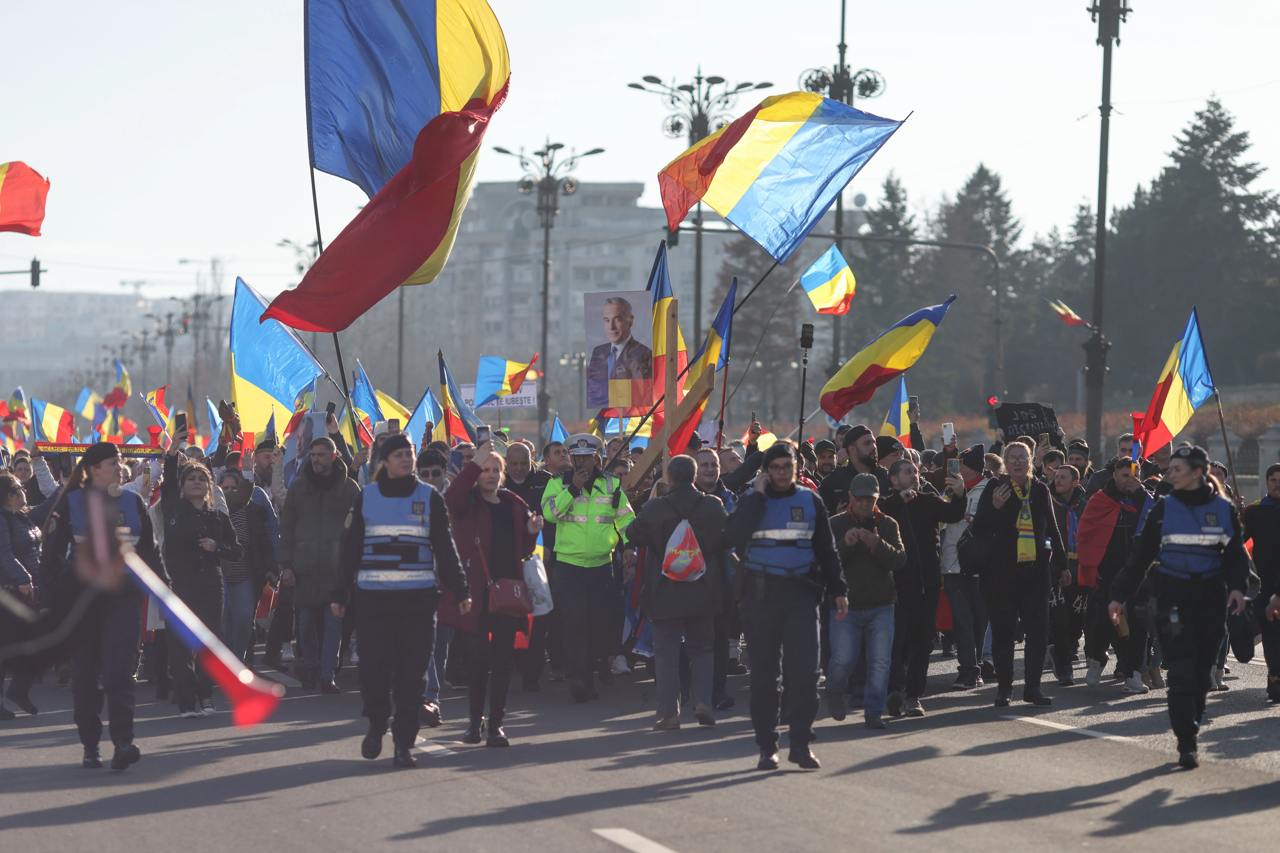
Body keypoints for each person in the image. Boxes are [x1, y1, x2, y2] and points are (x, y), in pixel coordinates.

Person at [1108, 445, 1250, 769]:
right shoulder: (1163, 509)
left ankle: (1193, 720)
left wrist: (1239, 589)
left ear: (1197, 473)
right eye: (1169, 469)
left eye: (1177, 469)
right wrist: (1118, 596)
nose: (1169, 474)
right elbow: (1140, 557)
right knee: (1182, 672)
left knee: (1201, 674)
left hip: (1211, 599)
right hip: (1173, 597)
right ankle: (1186, 740)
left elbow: (1236, 557)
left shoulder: (1223, 509)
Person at [334, 433, 470, 768]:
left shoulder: (430, 497)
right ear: (384, 461)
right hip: (373, 601)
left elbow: (444, 547)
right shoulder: (367, 497)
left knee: (413, 676)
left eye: (409, 454)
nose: (406, 460)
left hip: (418, 602)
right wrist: (339, 593)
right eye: (398, 455)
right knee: (374, 672)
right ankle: (378, 722)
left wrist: (461, 589)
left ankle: (403, 745)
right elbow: (350, 549)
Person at [726, 442, 848, 771]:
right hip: (760, 598)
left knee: (806, 674)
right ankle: (767, 746)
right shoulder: (753, 501)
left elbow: (826, 548)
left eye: (786, 467)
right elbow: (732, 535)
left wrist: (839, 588)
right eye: (775, 468)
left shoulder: (810, 501)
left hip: (801, 595)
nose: (781, 473)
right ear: (767, 471)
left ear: (796, 468)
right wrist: (756, 496)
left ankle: (800, 743)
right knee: (766, 677)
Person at [44, 442, 164, 769]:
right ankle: (90, 744)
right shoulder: (71, 503)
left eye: (120, 462)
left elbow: (150, 551)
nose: (119, 468)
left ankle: (123, 742)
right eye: (113, 463)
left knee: (119, 673)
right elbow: (52, 554)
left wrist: (163, 585)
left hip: (123, 600)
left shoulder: (133, 501)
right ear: (95, 468)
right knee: (85, 677)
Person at [441, 441, 540, 746]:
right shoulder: (466, 502)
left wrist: (532, 531)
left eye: (496, 469)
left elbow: (521, 551)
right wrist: (473, 463)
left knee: (502, 662)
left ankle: (496, 724)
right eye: (485, 469)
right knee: (477, 660)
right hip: (475, 594)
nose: (491, 474)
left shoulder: (513, 504)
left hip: (507, 595)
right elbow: (451, 496)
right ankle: (474, 724)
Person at [626, 454, 728, 730]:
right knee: (703, 650)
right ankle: (703, 703)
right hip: (702, 590)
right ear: (694, 476)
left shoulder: (656, 508)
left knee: (667, 654)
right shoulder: (713, 506)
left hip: (664, 591)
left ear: (669, 478)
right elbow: (726, 537)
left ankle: (668, 712)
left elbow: (633, 534)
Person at [970, 440, 1067, 707]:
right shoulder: (994, 487)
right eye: (1011, 458)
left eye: (1022, 457)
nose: (1016, 462)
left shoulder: (1039, 490)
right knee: (1003, 634)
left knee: (1037, 634)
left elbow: (1052, 529)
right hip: (1000, 574)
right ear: (1004, 461)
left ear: (1031, 459)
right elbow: (978, 528)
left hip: (1034, 573)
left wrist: (1062, 565)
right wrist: (994, 508)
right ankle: (1004, 689)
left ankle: (1032, 688)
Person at [541, 434, 636, 703]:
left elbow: (626, 520)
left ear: (596, 458)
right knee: (574, 623)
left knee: (598, 623)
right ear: (571, 458)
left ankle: (595, 670)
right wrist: (573, 489)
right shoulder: (556, 483)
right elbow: (550, 515)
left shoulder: (612, 484)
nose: (582, 462)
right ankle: (578, 678)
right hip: (569, 567)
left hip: (601, 566)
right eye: (577, 457)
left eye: (588, 457)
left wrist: (630, 547)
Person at [161, 434, 242, 718]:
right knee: (181, 643)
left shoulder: (217, 517)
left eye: (202, 479)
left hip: (210, 584)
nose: (196, 482)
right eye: (191, 478)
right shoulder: (173, 509)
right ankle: (186, 700)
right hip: (179, 585)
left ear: (209, 487)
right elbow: (168, 481)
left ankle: (206, 695)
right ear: (183, 487)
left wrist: (216, 546)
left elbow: (236, 550)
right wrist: (172, 453)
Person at [879, 458, 965, 716]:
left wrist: (959, 495)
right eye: (907, 472)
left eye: (916, 471)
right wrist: (898, 501)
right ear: (894, 480)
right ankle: (894, 691)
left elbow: (953, 514)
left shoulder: (927, 500)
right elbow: (875, 516)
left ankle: (914, 695)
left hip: (927, 585)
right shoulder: (886, 505)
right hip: (897, 587)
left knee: (923, 642)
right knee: (898, 643)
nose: (915, 475)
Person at [279, 437, 360, 693]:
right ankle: (311, 669)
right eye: (313, 455)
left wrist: (354, 565)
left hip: (337, 570)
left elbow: (358, 530)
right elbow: (287, 528)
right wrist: (286, 564)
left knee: (334, 626)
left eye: (321, 455)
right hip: (304, 568)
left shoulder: (349, 489)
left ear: (333, 456)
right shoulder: (299, 488)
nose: (316, 459)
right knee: (305, 625)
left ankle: (327, 674)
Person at [826, 473, 906, 729]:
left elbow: (900, 560)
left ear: (876, 498)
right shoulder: (835, 523)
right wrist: (845, 544)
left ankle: (874, 712)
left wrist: (876, 544)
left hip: (881, 604)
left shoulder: (888, 524)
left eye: (869, 499)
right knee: (843, 659)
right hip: (845, 605)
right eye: (859, 499)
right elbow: (824, 562)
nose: (864, 504)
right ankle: (835, 689)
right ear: (850, 497)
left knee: (880, 662)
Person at [1077, 457, 1154, 692]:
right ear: (1114, 476)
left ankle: (1132, 672)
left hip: (1136, 572)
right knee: (1102, 622)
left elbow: (1155, 526)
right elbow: (1086, 533)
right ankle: (1097, 657)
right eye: (1125, 475)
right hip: (1107, 572)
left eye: (1134, 475)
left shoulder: (1146, 501)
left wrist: (1142, 496)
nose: (1130, 480)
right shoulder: (1101, 500)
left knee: (1137, 625)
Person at [504, 441, 561, 692]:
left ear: (532, 461)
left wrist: (549, 546)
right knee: (510, 615)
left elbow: (554, 518)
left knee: (539, 619)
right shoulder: (498, 483)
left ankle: (532, 673)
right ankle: (513, 663)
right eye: (513, 464)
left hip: (540, 562)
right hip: (507, 562)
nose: (518, 469)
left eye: (523, 464)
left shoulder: (546, 481)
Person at [0, 469, 57, 718]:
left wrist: (69, 482)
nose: (24, 491)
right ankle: (14, 693)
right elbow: (4, 553)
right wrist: (23, 578)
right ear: (8, 495)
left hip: (29, 589)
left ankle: (19, 689)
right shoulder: (2, 518)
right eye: (19, 489)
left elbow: (47, 506)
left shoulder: (23, 517)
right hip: (12, 592)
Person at [939, 444, 994, 688]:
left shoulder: (989, 490)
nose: (956, 469)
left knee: (980, 620)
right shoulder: (950, 490)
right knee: (961, 619)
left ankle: (978, 664)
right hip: (953, 565)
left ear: (971, 468)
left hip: (981, 565)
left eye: (961, 464)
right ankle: (968, 670)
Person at [215, 468, 277, 666]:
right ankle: (226, 663)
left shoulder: (252, 511)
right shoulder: (212, 510)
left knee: (243, 620)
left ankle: (238, 660)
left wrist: (271, 568)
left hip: (244, 576)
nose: (230, 491)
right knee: (223, 623)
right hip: (220, 575)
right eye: (225, 488)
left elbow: (264, 541)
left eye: (234, 487)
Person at [1047, 464, 1089, 685]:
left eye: (1063, 477)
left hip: (1080, 567)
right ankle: (1064, 668)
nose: (1058, 481)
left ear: (1076, 482)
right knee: (1059, 619)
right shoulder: (1048, 502)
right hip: (1056, 568)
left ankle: (1062, 650)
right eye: (1056, 477)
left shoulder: (1086, 505)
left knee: (1076, 621)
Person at [1242, 462, 1280, 703]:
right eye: (1274, 480)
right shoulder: (1255, 511)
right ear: (1266, 482)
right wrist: (1236, 515)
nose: (1278, 484)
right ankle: (1275, 676)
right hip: (1265, 583)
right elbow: (1238, 540)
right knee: (1271, 633)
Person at [586, 296, 653, 408]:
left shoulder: (643, 354)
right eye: (607, 320)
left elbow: (642, 395)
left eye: (617, 319)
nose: (611, 327)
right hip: (605, 415)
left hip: (630, 417)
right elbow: (594, 391)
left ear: (630, 321)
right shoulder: (598, 352)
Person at [819, 425, 890, 514]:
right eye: (867, 443)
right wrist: (837, 516)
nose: (874, 447)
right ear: (852, 449)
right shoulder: (833, 482)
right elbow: (819, 519)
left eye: (874, 442)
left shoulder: (886, 477)